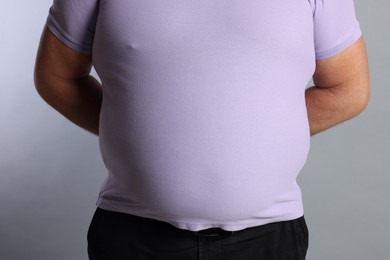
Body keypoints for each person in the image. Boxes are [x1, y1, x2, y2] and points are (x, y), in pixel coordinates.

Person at [34, 0, 370, 259]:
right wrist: (131, 131)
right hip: (133, 234)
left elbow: (348, 89)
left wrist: (261, 133)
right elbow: (56, 77)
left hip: (267, 237)